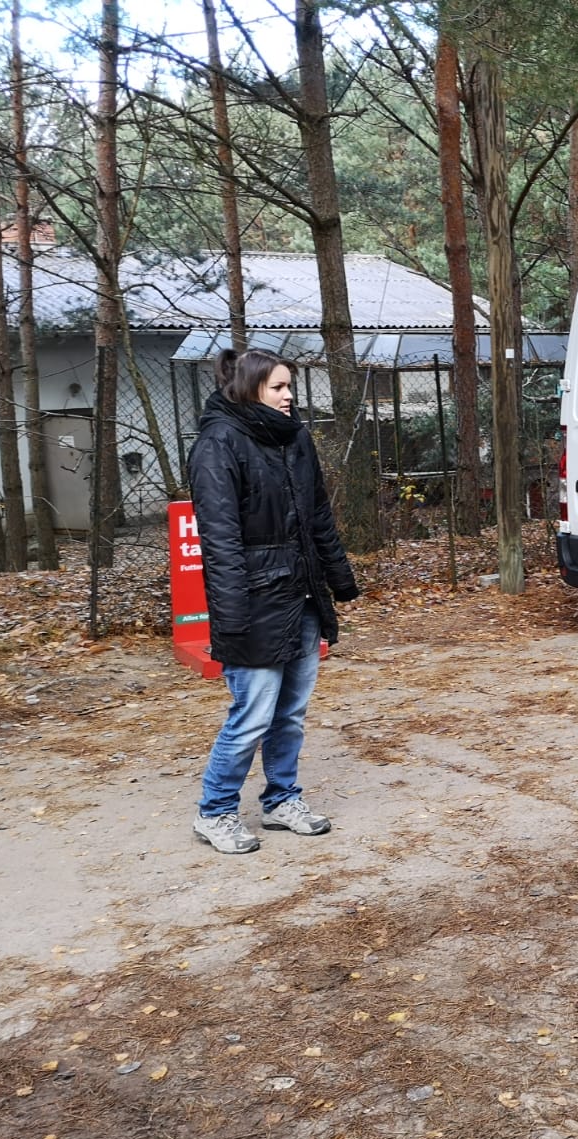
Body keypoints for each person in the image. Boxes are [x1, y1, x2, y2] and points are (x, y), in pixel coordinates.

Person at [187, 349, 358, 854]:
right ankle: (214, 812)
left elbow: (319, 515)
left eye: (289, 386)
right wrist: (232, 617)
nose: (289, 396)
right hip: (253, 601)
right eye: (278, 387)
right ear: (250, 387)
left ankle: (281, 799)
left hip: (302, 594)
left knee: (290, 713)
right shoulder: (218, 443)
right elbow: (220, 541)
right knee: (253, 715)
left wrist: (339, 579)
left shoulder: (295, 438)